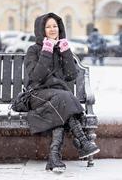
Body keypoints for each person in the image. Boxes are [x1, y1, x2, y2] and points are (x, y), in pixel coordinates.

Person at [24, 12, 100, 173]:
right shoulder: (33, 50)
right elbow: (36, 77)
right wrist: (47, 50)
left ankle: (54, 158)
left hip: (58, 99)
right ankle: (82, 141)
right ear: (41, 29)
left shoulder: (61, 49)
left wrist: (65, 52)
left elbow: (71, 76)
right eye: (48, 26)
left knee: (60, 103)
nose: (53, 29)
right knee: (64, 98)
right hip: (36, 95)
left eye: (55, 26)